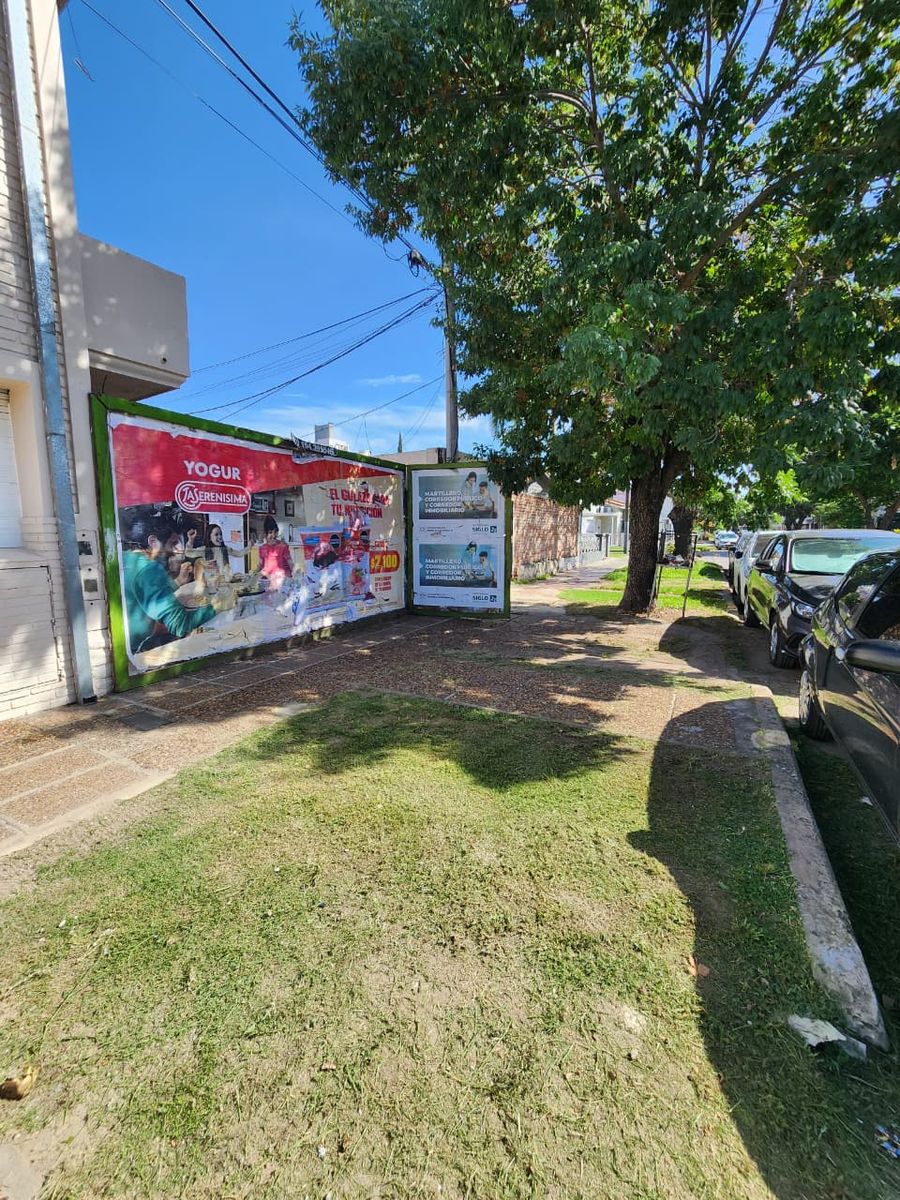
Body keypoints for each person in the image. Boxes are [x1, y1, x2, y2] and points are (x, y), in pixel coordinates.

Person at [123, 516, 233, 653]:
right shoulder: (150, 569)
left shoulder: (126, 558)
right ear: (153, 542)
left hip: (127, 645)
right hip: (143, 649)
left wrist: (178, 581)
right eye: (173, 543)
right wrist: (218, 605)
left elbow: (145, 594)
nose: (178, 549)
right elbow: (180, 626)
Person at [257, 516, 293, 590]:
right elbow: (260, 565)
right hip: (269, 582)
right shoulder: (262, 548)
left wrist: (295, 577)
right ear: (265, 534)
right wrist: (254, 574)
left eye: (275, 532)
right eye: (270, 532)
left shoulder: (283, 546)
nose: (273, 535)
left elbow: (291, 564)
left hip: (283, 582)